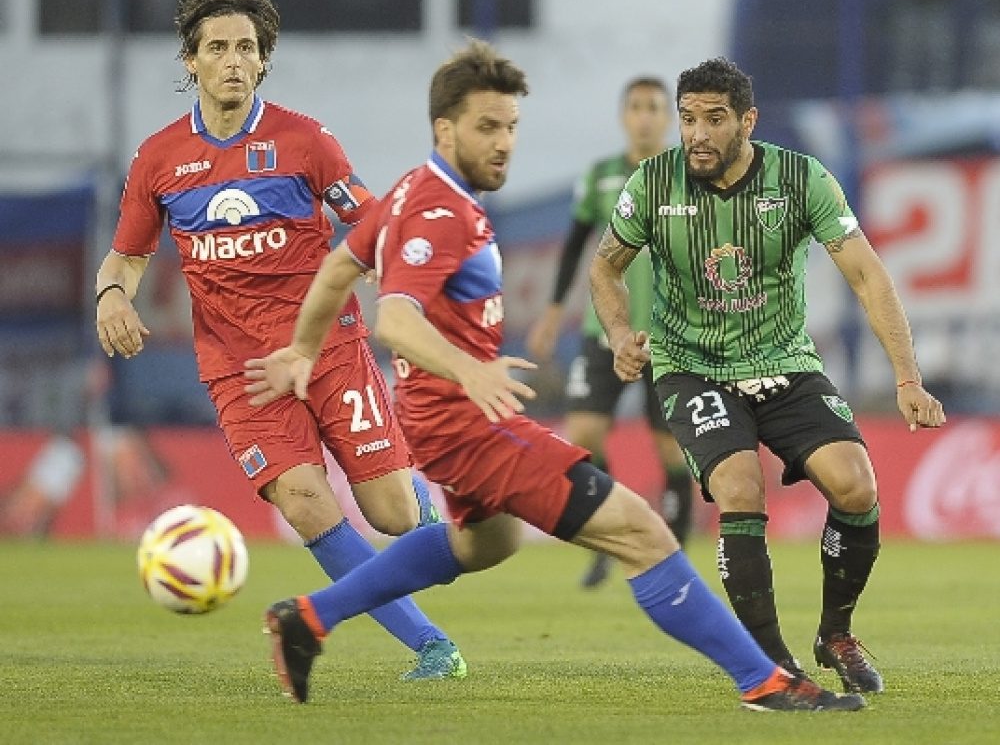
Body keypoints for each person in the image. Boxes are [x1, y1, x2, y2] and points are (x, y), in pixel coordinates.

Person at [245, 39, 863, 713]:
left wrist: (304, 349)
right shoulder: (438, 210)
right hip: (466, 422)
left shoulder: (412, 191)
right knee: (643, 533)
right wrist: (469, 371)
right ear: (444, 129)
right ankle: (766, 682)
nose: (504, 142)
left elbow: (340, 268)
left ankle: (306, 617)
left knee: (483, 543)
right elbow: (394, 316)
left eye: (510, 125)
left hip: (440, 420)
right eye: (487, 127)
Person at [94, 0, 464, 680]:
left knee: (391, 516)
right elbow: (128, 255)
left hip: (328, 347)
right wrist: (111, 292)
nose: (232, 61)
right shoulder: (160, 159)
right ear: (192, 61)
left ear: (263, 61)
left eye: (245, 48)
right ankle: (433, 647)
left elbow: (372, 224)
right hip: (238, 368)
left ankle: (437, 501)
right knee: (303, 500)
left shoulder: (305, 142)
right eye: (217, 48)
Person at [589, 56, 947, 694]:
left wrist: (907, 377)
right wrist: (619, 333)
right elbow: (605, 268)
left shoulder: (802, 179)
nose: (697, 134)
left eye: (715, 120)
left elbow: (867, 275)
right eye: (688, 119)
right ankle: (771, 664)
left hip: (783, 362)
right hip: (692, 367)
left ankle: (835, 633)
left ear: (747, 121)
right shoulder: (652, 183)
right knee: (740, 485)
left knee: (856, 486)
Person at [526, 76, 693, 589]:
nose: (645, 116)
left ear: (667, 118)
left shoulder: (687, 175)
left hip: (669, 337)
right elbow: (577, 248)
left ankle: (675, 556)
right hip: (606, 333)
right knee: (584, 435)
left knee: (671, 452)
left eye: (654, 108)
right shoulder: (600, 177)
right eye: (636, 107)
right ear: (624, 116)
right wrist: (554, 313)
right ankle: (605, 542)